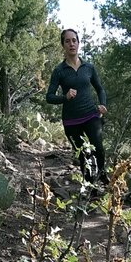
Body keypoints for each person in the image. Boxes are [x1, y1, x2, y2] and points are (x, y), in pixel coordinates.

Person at [46, 28, 109, 184]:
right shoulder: (59, 71)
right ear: (63, 45)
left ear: (78, 43)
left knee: (98, 148)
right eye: (67, 41)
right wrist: (65, 97)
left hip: (91, 114)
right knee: (82, 155)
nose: (71, 44)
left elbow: (100, 89)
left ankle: (101, 174)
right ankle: (90, 186)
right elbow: (49, 97)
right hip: (71, 120)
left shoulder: (89, 67)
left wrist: (102, 104)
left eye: (74, 40)